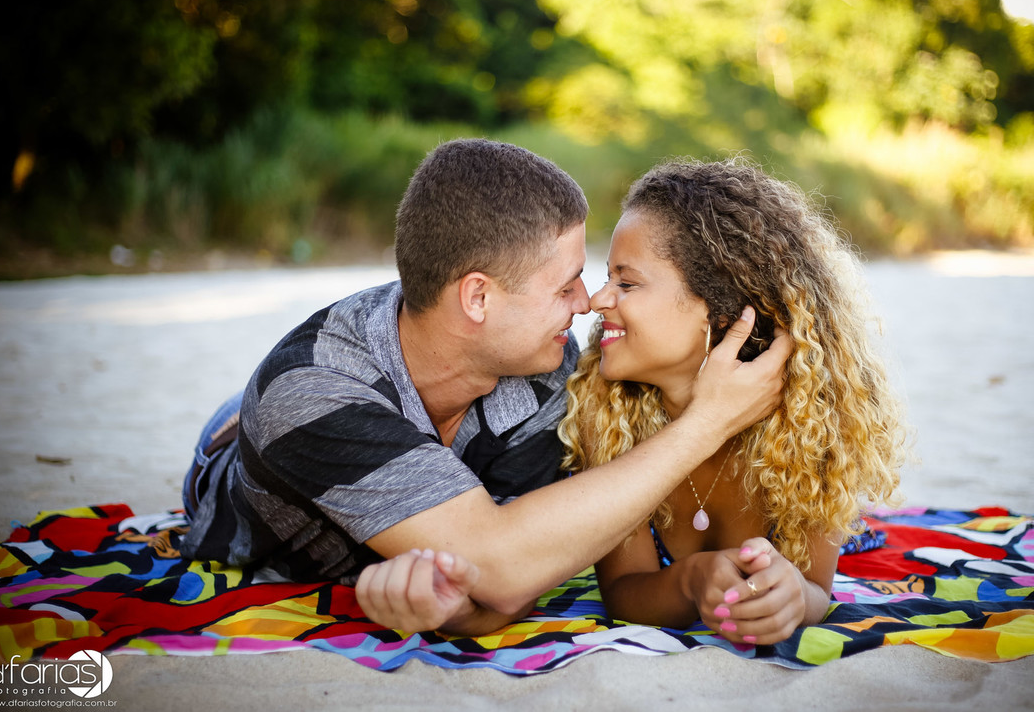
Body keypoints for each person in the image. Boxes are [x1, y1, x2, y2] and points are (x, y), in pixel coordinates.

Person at [178, 139, 792, 636]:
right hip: (245, 449)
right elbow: (499, 562)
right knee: (266, 414)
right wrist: (708, 421)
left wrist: (458, 611)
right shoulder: (312, 393)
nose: (585, 305)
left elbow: (510, 580)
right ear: (478, 296)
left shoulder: (541, 369)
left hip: (412, 440)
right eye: (566, 285)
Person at [556, 158, 907, 646]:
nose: (597, 301)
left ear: (721, 313)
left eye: (626, 282)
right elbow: (622, 591)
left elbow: (816, 591)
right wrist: (692, 580)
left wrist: (794, 599)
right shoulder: (605, 405)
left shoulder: (809, 419)